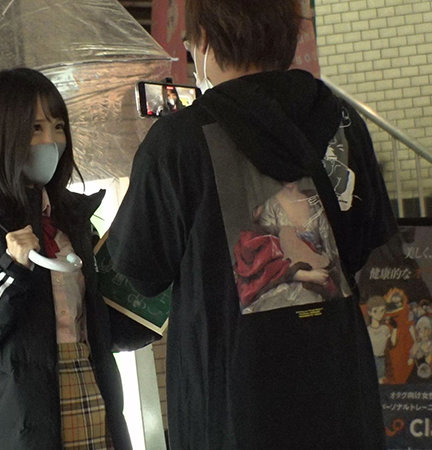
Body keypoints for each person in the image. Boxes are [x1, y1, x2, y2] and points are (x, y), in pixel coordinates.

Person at [106, 0, 397, 448]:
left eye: (190, 43)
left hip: (232, 403)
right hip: (337, 387)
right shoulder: (343, 122)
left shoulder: (179, 139)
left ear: (206, 39)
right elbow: (363, 240)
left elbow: (140, 269)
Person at [0, 68, 146, 449]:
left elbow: (104, 327)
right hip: (16, 424)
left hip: (89, 396)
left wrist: (154, 296)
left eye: (58, 127)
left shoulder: (71, 221)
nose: (51, 141)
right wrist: (9, 269)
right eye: (35, 128)